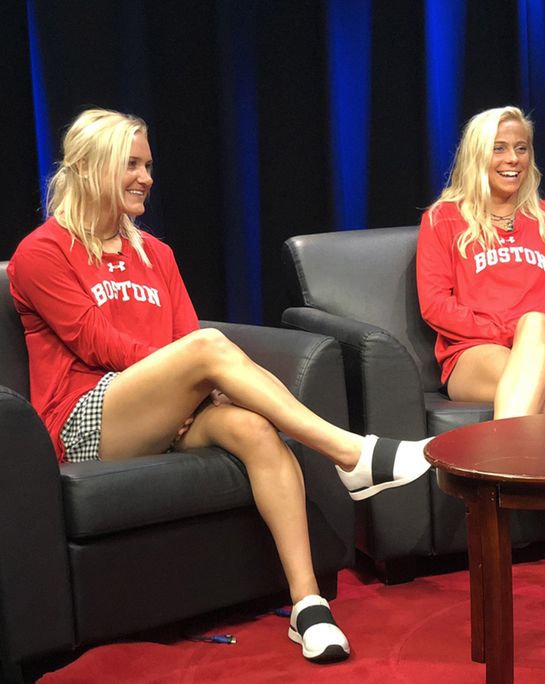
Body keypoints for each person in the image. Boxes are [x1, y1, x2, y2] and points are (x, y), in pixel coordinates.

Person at [7, 108, 434, 664]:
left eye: (149, 165)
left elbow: (184, 332)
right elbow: (99, 346)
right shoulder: (41, 252)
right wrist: (189, 376)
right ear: (91, 169)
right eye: (131, 165)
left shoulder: (154, 254)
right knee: (207, 349)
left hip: (168, 410)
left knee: (253, 427)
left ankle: (308, 606)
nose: (147, 178)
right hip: (87, 419)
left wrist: (194, 388)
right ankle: (347, 450)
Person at [416, 106, 545, 601]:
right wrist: (500, 331)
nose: (512, 159)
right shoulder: (444, 220)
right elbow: (435, 304)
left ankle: (496, 481)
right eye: (499, 147)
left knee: (537, 325)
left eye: (521, 148)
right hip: (476, 354)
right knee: (540, 382)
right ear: (477, 154)